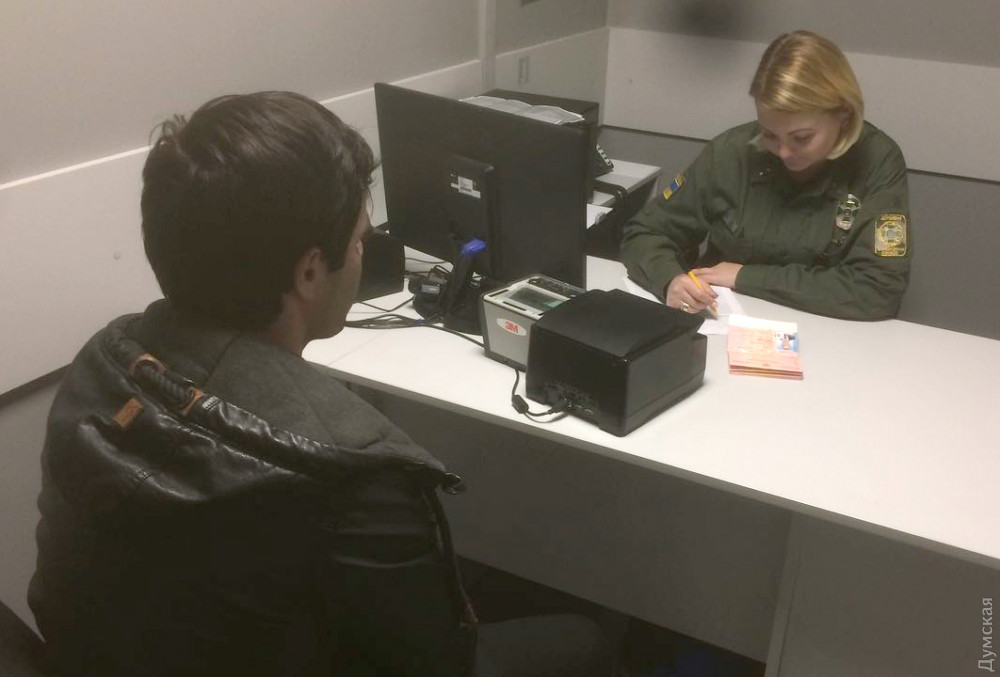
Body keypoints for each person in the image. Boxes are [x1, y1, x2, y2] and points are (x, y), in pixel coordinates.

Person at [29, 91, 608, 677]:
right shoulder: (353, 480)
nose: (362, 253)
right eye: (359, 240)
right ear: (309, 271)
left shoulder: (104, 362)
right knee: (585, 638)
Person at [621, 30, 911, 320]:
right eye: (770, 134)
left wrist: (745, 276)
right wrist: (670, 280)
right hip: (722, 318)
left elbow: (879, 289)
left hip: (828, 326)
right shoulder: (731, 152)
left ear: (843, 115)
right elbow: (646, 233)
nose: (783, 152)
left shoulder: (876, 160)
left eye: (801, 138)